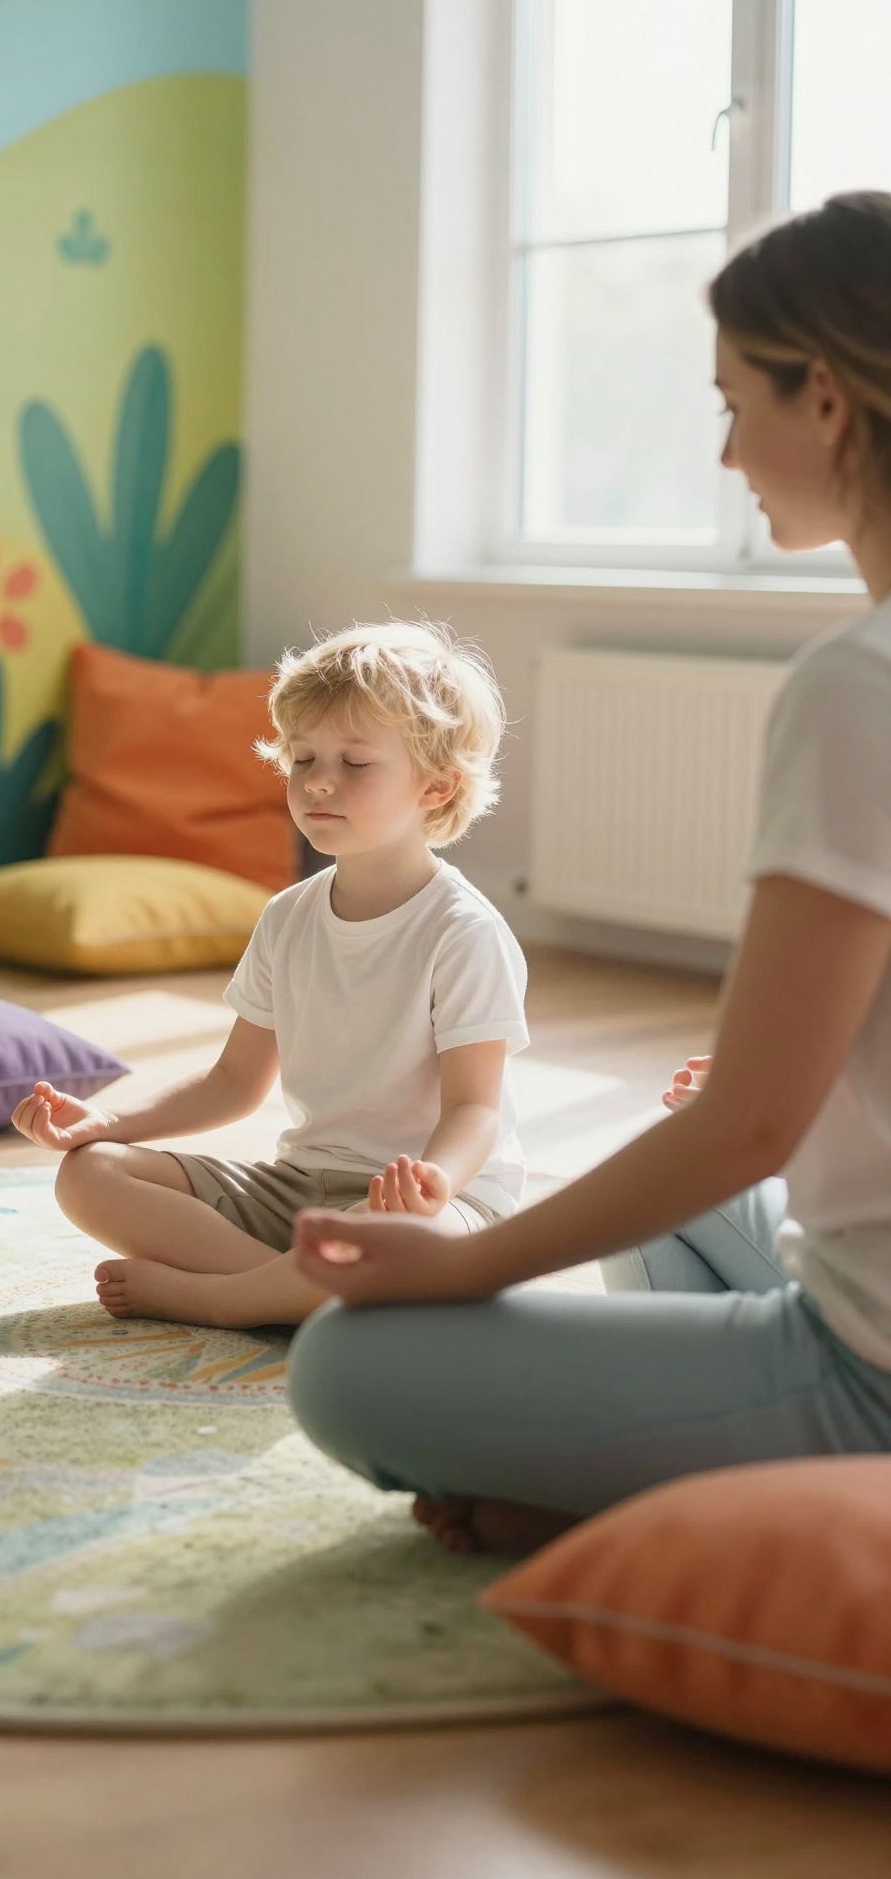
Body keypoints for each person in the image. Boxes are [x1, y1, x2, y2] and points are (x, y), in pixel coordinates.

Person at [288, 192, 891, 1555]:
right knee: (680, 1183)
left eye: (739, 403)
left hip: (875, 1380)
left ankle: (732, 1505)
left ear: (832, 404)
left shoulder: (862, 685)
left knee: (344, 1367)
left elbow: (750, 1125)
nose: (729, 449)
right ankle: (686, 1480)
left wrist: (464, 1261)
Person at [12, 621, 529, 1330]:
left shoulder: (463, 933)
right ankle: (288, 1290)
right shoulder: (288, 917)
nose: (318, 779)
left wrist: (434, 1185)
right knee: (90, 1174)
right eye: (303, 757)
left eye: (355, 762)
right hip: (301, 1192)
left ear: (436, 787)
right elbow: (233, 1083)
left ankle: (222, 1300)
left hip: (430, 1207)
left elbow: (477, 1109)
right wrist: (108, 1122)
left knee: (402, 1239)